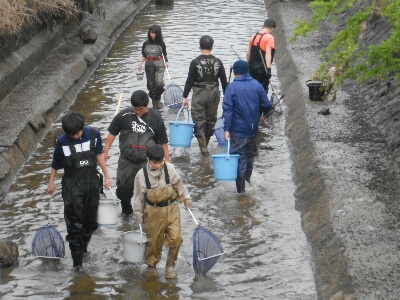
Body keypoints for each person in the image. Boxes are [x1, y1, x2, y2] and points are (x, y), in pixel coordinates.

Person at [47, 111, 111, 272]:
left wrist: (107, 177)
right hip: (72, 185)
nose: (75, 136)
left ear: (82, 127)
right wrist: (51, 183)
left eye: (77, 133)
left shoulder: (94, 135)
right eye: (71, 134)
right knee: (74, 226)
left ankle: (83, 248)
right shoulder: (62, 142)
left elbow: (99, 156)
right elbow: (55, 164)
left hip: (91, 182)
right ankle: (77, 265)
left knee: (91, 223)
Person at [103, 90, 170, 217]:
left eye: (141, 109)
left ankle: (145, 215)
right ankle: (126, 212)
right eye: (135, 109)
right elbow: (112, 134)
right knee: (123, 188)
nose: (138, 113)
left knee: (148, 190)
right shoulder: (123, 116)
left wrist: (167, 159)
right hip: (126, 160)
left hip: (147, 162)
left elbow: (163, 142)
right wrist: (105, 152)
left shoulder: (156, 119)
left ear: (147, 104)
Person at [133, 144, 191, 279]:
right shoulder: (141, 175)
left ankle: (170, 266)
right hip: (152, 211)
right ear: (148, 159)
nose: (158, 165)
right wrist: (138, 217)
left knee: (177, 239)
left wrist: (186, 199)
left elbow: (179, 186)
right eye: (155, 163)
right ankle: (151, 266)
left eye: (160, 162)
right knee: (153, 243)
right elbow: (138, 198)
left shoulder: (170, 169)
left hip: (171, 209)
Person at [222, 60, 273, 193]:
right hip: (252, 130)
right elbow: (267, 105)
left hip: (237, 130)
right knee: (250, 156)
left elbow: (228, 110)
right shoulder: (257, 85)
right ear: (247, 71)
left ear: (234, 72)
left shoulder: (231, 87)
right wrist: (264, 114)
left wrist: (226, 129)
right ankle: (248, 182)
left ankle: (241, 192)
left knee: (240, 160)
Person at [182, 35, 228, 155]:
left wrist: (184, 96)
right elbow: (224, 81)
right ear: (212, 47)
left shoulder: (195, 62)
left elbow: (189, 81)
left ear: (199, 46)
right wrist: (227, 98)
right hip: (214, 92)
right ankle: (206, 145)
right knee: (211, 119)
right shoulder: (218, 62)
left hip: (199, 92)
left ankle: (203, 149)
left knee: (198, 119)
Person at [138, 24, 168, 109]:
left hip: (159, 64)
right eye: (151, 33)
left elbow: (164, 54)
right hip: (149, 64)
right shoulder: (145, 44)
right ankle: (155, 103)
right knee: (150, 85)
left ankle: (158, 99)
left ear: (158, 34)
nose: (153, 35)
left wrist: (166, 62)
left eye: (154, 33)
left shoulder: (161, 43)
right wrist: (140, 63)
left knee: (159, 82)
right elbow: (144, 55)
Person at [246, 18, 276, 93]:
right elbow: (268, 54)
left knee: (251, 89)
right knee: (262, 90)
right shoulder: (269, 37)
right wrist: (268, 69)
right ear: (272, 29)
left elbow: (248, 54)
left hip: (251, 68)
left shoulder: (253, 37)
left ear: (263, 26)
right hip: (262, 69)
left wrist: (248, 65)